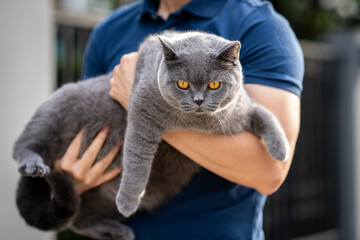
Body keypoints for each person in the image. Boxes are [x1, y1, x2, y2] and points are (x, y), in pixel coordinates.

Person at [57, 0, 304, 239]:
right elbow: (79, 147)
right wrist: (69, 181)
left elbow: (270, 171)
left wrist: (145, 106)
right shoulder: (109, 30)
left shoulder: (260, 26)